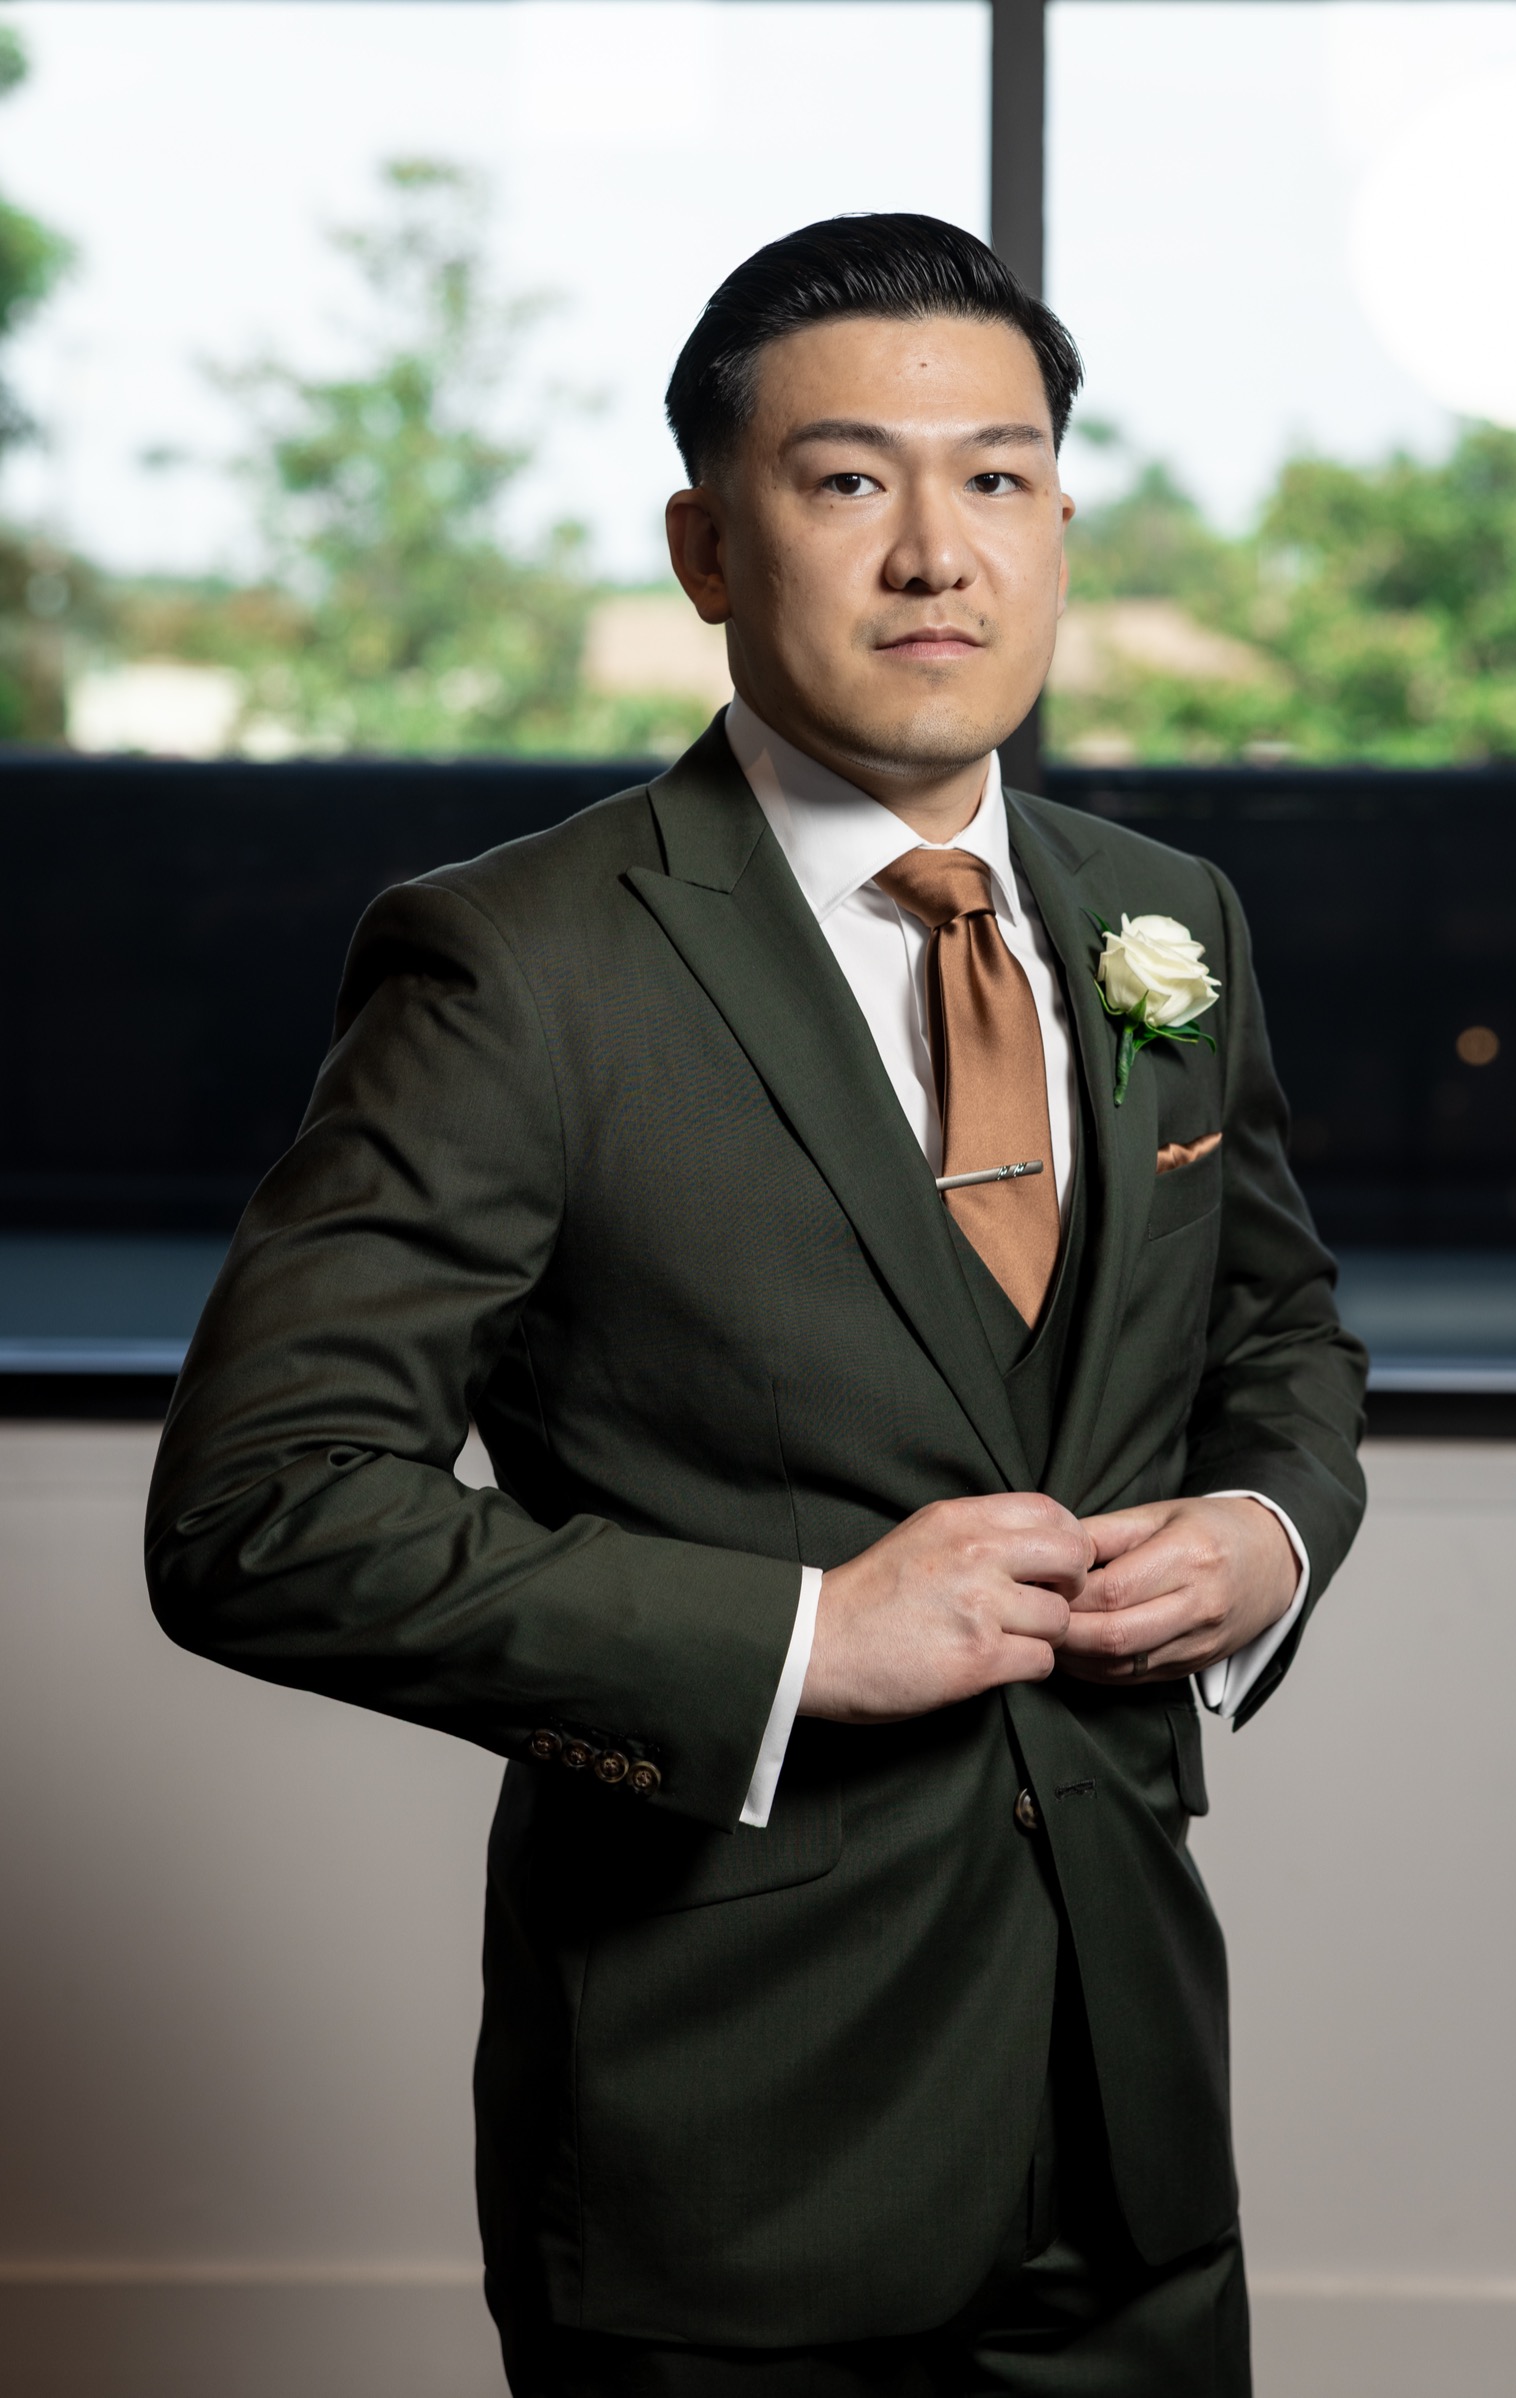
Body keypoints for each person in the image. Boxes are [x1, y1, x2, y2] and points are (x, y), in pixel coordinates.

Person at [146, 213, 1366, 2396]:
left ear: (1059, 526)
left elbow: (1270, 1327)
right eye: (845, 482)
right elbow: (259, 1509)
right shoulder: (513, 963)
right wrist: (808, 1639)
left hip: (1131, 2125)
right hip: (729, 2153)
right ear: (708, 546)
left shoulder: (1167, 919)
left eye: (993, 478)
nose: (933, 554)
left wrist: (1264, 1531)